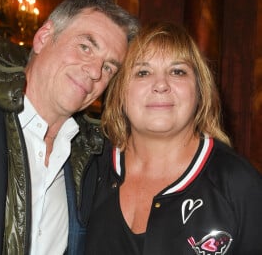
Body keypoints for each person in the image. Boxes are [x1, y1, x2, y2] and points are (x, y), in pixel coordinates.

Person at [0, 0, 139, 255]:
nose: (94, 72)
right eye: (85, 47)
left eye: (109, 67)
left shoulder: (92, 157)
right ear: (44, 37)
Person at [85, 22, 262, 254]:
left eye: (177, 71)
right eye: (143, 72)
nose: (161, 85)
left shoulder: (239, 184)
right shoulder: (89, 168)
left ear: (200, 89)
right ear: (118, 92)